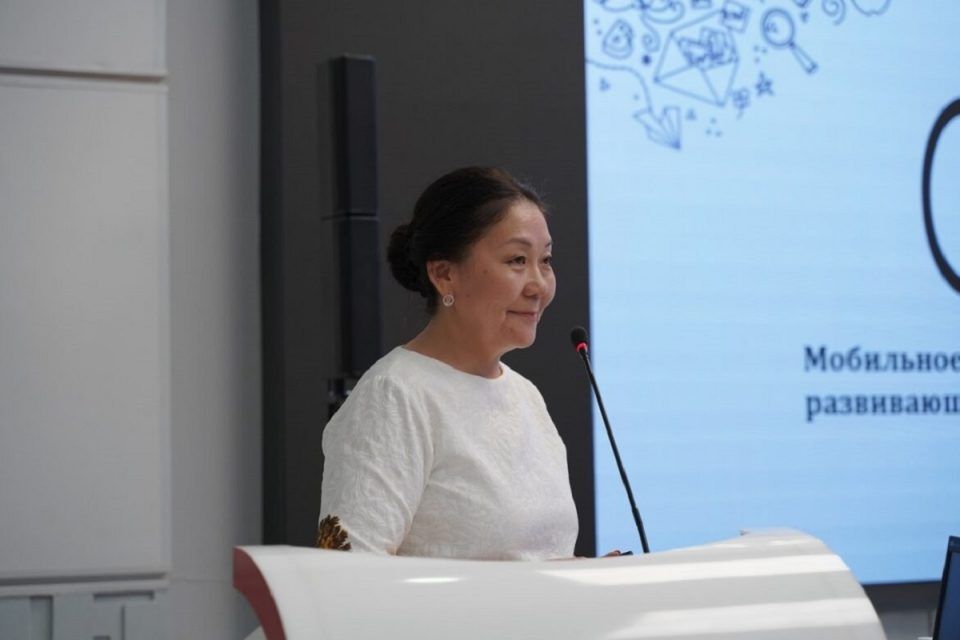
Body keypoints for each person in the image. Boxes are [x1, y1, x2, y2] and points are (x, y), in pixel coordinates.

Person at [316, 166, 585, 560]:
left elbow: (529, 559)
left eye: (545, 260)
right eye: (517, 260)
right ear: (444, 274)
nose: (539, 285)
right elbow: (350, 573)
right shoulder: (394, 396)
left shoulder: (525, 396)